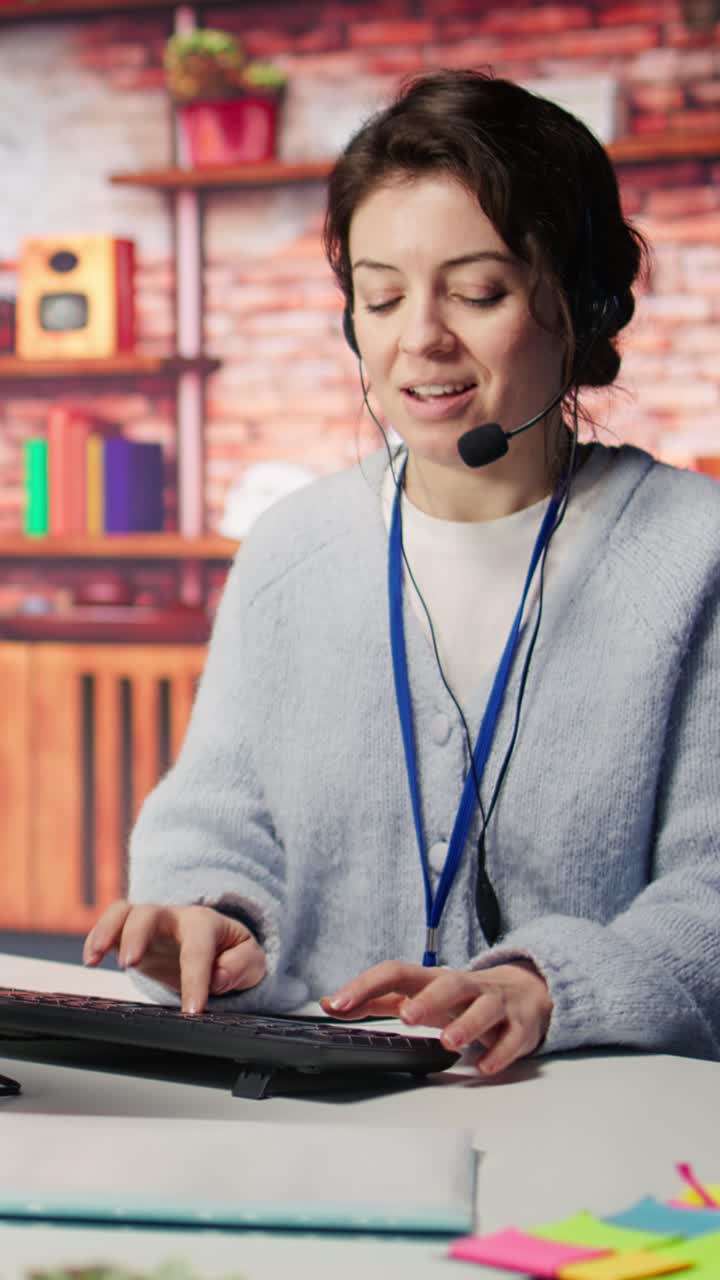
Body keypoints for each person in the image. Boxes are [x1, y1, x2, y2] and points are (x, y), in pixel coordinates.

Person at [84, 69, 720, 1076]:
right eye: (381, 295)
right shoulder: (294, 546)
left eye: (477, 291)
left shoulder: (696, 555)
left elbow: (712, 892)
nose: (419, 336)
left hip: (589, 1114)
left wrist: (544, 986)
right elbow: (214, 817)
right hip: (309, 1104)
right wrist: (205, 913)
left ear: (582, 303)